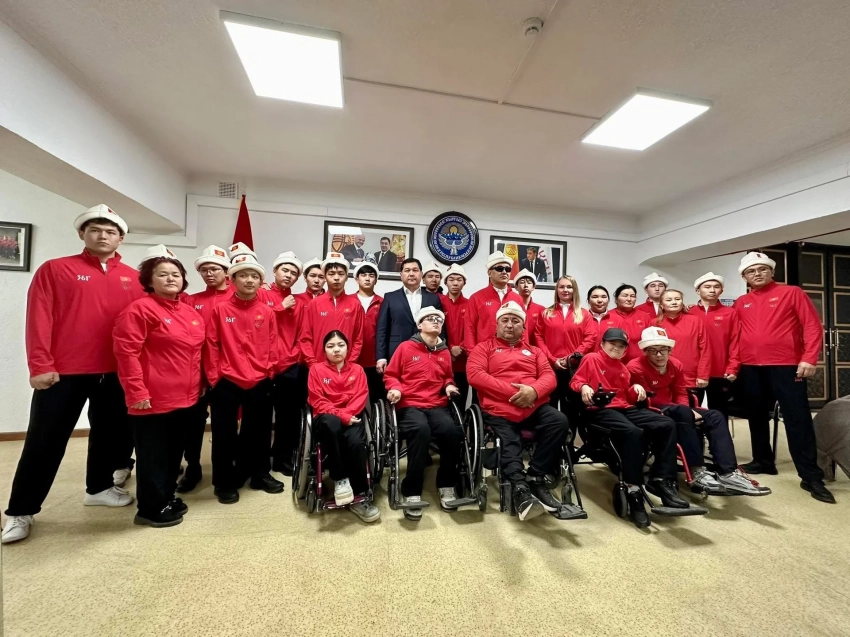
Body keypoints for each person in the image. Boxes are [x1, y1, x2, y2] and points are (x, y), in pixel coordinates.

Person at [2, 205, 143, 545]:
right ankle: (20, 511)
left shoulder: (134, 278)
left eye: (110, 231)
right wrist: (40, 365)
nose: (103, 235)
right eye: (95, 229)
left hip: (115, 371)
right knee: (44, 441)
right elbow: (39, 318)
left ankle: (99, 488)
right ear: (82, 234)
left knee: (109, 435)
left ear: (121, 238)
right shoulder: (56, 269)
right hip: (62, 372)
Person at [113, 246, 206, 527]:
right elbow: (126, 353)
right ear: (149, 280)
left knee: (173, 453)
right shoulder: (140, 310)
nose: (170, 279)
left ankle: (166, 496)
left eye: (175, 274)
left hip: (186, 398)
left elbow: (195, 355)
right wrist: (136, 391)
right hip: (152, 398)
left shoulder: (189, 312)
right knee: (153, 455)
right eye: (162, 274)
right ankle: (150, 509)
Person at [734, 252, 834, 503]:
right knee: (756, 415)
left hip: (787, 365)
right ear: (744, 277)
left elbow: (812, 325)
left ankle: (810, 475)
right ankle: (763, 460)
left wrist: (809, 357)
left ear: (772, 271)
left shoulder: (792, 293)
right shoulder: (741, 302)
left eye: (762, 269)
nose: (757, 274)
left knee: (797, 418)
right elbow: (734, 333)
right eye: (751, 271)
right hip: (751, 366)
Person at [468, 301, 578, 521]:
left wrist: (534, 391)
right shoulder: (483, 348)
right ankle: (519, 488)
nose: (510, 325)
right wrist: (516, 393)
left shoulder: (535, 351)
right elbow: (475, 375)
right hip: (500, 408)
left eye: (515, 321)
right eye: (505, 320)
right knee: (509, 440)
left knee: (558, 421)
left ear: (523, 326)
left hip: (533, 405)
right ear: (497, 324)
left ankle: (535, 476)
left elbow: (549, 377)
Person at [627, 327, 769, 497]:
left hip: (676, 408)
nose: (659, 355)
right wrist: (685, 411)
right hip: (652, 409)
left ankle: (728, 472)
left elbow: (680, 392)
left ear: (670, 350)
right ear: (645, 351)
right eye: (653, 350)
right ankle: (697, 470)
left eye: (663, 349)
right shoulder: (635, 366)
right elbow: (647, 398)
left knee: (715, 416)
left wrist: (688, 410)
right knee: (682, 411)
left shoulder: (676, 364)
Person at [570, 327, 689, 528]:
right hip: (599, 409)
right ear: (602, 344)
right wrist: (584, 387)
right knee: (633, 432)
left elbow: (627, 397)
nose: (616, 348)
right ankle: (633, 489)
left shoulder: (623, 368)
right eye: (612, 344)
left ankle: (661, 479)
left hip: (623, 407)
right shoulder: (592, 358)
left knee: (666, 424)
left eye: (621, 346)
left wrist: (636, 389)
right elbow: (576, 380)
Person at [204, 254, 282, 504]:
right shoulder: (221, 310)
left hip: (260, 379)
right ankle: (224, 482)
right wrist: (215, 378)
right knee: (224, 433)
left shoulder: (267, 311)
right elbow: (212, 344)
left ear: (261, 281)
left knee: (259, 431)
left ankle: (259, 474)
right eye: (244, 275)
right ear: (232, 280)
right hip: (226, 380)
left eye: (254, 276)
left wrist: (269, 371)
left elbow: (273, 343)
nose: (249, 280)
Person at [384, 307, 464, 520]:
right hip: (410, 403)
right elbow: (391, 375)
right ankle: (411, 491)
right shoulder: (405, 347)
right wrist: (395, 388)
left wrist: (449, 385)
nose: (436, 321)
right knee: (421, 431)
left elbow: (447, 377)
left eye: (439, 319)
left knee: (452, 432)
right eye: (430, 318)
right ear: (420, 325)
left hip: (436, 404)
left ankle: (446, 484)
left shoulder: (444, 352)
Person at [177, 244, 233, 493]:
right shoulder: (192, 301)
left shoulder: (238, 297)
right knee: (193, 422)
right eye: (205, 270)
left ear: (226, 272)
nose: (210, 274)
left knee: (225, 426)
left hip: (228, 373)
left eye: (215, 269)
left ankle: (227, 470)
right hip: (197, 371)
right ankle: (193, 466)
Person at [308, 330, 381, 523]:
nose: (336, 350)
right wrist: (341, 416)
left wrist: (348, 415)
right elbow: (317, 400)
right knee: (332, 424)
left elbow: (360, 396)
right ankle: (340, 479)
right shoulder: (316, 370)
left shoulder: (357, 370)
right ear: (324, 350)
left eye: (341, 345)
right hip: (325, 419)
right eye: (331, 346)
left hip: (352, 417)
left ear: (348, 348)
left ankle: (360, 494)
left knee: (357, 443)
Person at [259, 252, 305, 476]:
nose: (289, 275)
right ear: (275, 271)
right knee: (260, 419)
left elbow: (302, 334)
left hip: (288, 366)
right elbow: (255, 322)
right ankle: (258, 463)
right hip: (262, 367)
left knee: (288, 418)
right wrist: (279, 307)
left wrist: (294, 357)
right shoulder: (261, 294)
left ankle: (282, 459)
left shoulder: (298, 303)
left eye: (294, 273)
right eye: (285, 270)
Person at [532, 275, 597, 420]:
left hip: (574, 369)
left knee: (572, 408)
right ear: (557, 290)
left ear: (575, 290)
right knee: (550, 405)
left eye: (569, 287)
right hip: (550, 367)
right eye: (561, 287)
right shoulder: (546, 313)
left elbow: (590, 338)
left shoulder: (584, 314)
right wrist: (552, 359)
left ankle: (571, 435)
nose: (565, 290)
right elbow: (538, 337)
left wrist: (570, 358)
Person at [299, 253, 365, 367]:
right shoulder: (314, 304)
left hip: (346, 367)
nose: (336, 278)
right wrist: (313, 364)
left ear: (346, 277)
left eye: (341, 274)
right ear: (325, 277)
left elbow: (358, 340)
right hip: (318, 366)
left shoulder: (355, 305)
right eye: (331, 274)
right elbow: (305, 338)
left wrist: (350, 364)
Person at [375, 258, 443, 370]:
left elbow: (440, 328)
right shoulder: (390, 298)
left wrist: (440, 352)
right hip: (396, 351)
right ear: (401, 275)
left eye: (415, 270)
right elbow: (382, 329)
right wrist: (381, 357)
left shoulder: (433, 299)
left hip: (426, 350)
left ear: (421, 274)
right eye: (407, 270)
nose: (411, 274)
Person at [691, 273, 739, 418]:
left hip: (720, 371)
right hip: (694, 372)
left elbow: (735, 341)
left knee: (720, 413)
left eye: (716, 287)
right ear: (698, 291)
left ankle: (719, 435)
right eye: (707, 287)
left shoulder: (730, 313)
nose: (712, 290)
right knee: (692, 413)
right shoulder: (689, 312)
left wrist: (733, 367)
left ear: (721, 291)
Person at [463, 251, 523, 353]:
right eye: (499, 268)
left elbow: (523, 329)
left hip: (511, 354)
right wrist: (472, 353)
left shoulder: (517, 299)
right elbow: (469, 328)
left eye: (507, 269)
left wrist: (522, 351)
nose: (504, 272)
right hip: (485, 353)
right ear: (489, 273)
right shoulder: (476, 298)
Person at [656, 289, 711, 389]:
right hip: (662, 376)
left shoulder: (695, 321)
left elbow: (705, 349)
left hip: (691, 377)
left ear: (682, 302)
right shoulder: (655, 323)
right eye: (669, 300)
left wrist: (703, 375)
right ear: (661, 305)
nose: (674, 302)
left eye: (677, 299)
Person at [353, 262, 384, 404]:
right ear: (357, 279)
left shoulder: (383, 302)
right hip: (351, 360)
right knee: (351, 399)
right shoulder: (348, 301)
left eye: (371, 276)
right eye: (363, 275)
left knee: (377, 399)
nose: (367, 278)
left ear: (376, 280)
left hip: (374, 360)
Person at [440, 264, 471, 408]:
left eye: (459, 279)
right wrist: (449, 348)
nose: (455, 283)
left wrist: (461, 348)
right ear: (445, 282)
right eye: (451, 279)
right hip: (441, 360)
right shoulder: (438, 302)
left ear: (464, 282)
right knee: (440, 402)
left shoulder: (470, 304)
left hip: (463, 361)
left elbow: (473, 331)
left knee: (460, 402)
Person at [596, 284, 650, 363]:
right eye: (625, 295)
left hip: (640, 363)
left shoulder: (644, 316)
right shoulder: (607, 316)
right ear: (616, 299)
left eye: (632, 296)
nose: (629, 299)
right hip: (611, 363)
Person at [513, 269, 545, 336]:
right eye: (522, 282)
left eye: (529, 282)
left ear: (533, 287)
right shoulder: (511, 308)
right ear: (516, 287)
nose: (526, 285)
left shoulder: (541, 310)